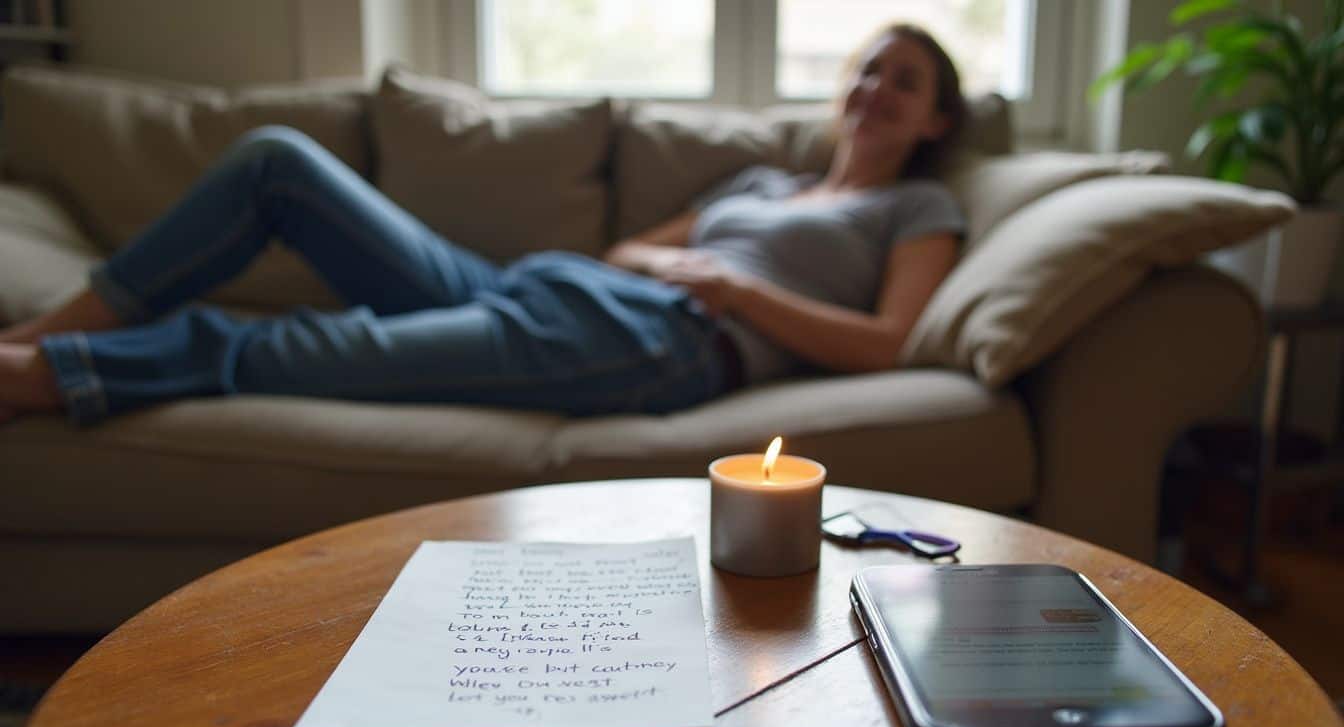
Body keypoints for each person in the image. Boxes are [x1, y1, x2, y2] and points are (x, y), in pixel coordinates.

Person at [0, 22, 967, 426]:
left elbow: (887, 344)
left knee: (314, 348)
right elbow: (630, 249)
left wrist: (733, 289)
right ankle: (47, 332)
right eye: (868, 70)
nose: (876, 89)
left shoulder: (916, 206)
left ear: (935, 121)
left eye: (906, 81)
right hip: (564, 286)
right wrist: (677, 262)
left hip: (660, 341)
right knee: (278, 165)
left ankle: (45, 376)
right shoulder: (764, 183)